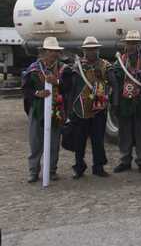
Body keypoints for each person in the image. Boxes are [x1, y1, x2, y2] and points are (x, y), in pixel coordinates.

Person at [22, 37, 69, 183]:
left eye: (55, 51)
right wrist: (37, 93)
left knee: (54, 142)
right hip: (37, 110)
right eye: (50, 51)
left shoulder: (64, 69)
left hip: (56, 109)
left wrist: (57, 82)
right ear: (43, 52)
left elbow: (69, 87)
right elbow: (26, 89)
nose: (53, 54)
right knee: (35, 141)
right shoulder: (33, 69)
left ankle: (51, 170)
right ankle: (33, 171)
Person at [109, 30, 141, 174]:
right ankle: (125, 161)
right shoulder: (120, 61)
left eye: (134, 43)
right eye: (129, 43)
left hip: (140, 102)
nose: (131, 46)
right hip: (124, 103)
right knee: (124, 133)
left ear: (138, 45)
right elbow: (115, 82)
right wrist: (115, 103)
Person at [67, 36, 111, 179]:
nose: (91, 52)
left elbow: (113, 84)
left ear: (98, 50)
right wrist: (70, 109)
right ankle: (79, 167)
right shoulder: (77, 67)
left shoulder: (105, 65)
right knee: (79, 140)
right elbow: (71, 88)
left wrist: (109, 98)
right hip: (80, 108)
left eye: (94, 49)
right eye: (88, 50)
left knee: (98, 140)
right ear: (84, 51)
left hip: (99, 108)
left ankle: (98, 167)